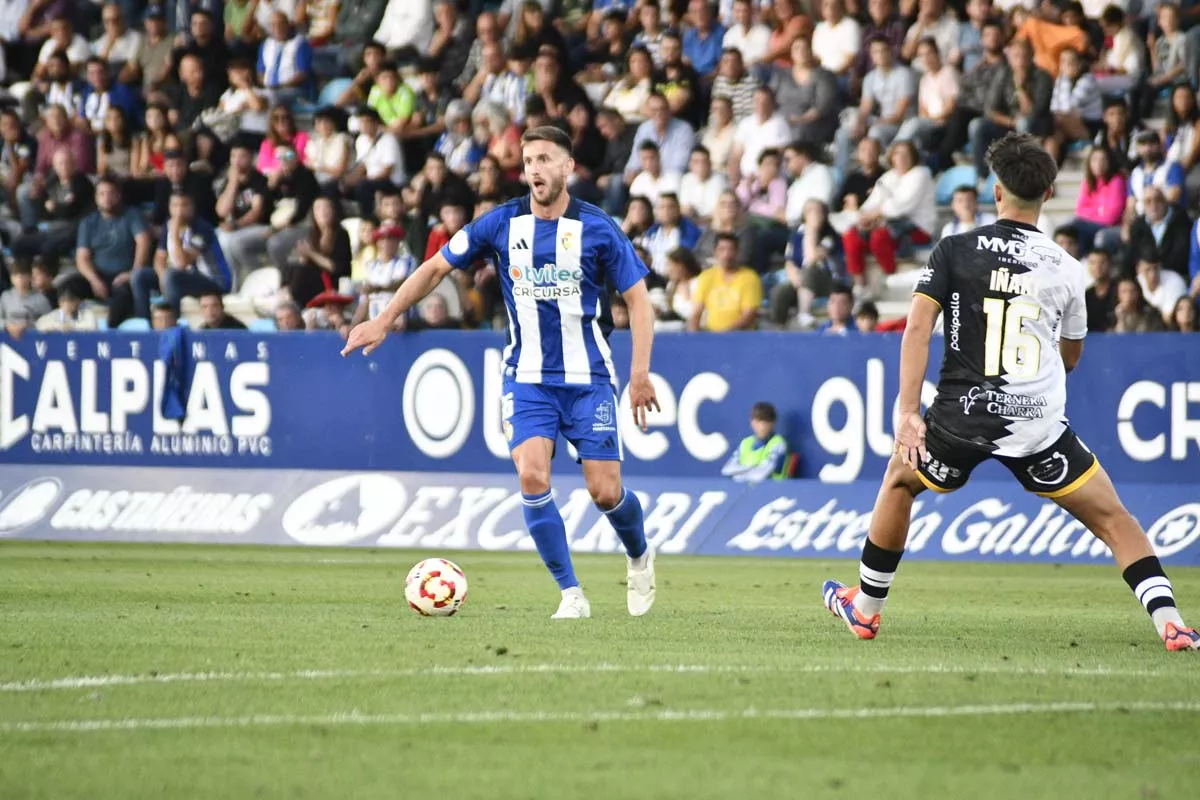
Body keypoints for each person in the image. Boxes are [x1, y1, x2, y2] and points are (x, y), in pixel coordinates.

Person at [821, 132, 1199, 651]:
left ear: (995, 192)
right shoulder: (1068, 268)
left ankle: (864, 610)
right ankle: (1170, 622)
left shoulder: (954, 250)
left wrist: (908, 411)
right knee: (1115, 519)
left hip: (961, 418)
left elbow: (915, 331)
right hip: (1037, 424)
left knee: (899, 482)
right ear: (1047, 195)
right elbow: (1070, 358)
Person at [342, 126, 659, 621]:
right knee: (532, 475)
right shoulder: (501, 223)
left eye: (546, 159)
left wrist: (640, 373)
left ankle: (639, 554)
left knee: (606, 492)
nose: (534, 168)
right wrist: (384, 319)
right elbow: (435, 268)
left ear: (568, 167)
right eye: (529, 159)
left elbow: (639, 301)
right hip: (526, 377)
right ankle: (571, 594)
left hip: (588, 379)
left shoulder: (598, 228)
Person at [687, 231, 762, 331]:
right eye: (722, 250)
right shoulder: (706, 276)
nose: (726, 255)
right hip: (711, 333)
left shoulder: (750, 277)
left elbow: (749, 315)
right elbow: (696, 312)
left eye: (731, 250)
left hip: (740, 336)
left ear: (737, 252)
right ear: (715, 252)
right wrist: (693, 334)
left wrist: (725, 335)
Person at [720, 401, 789, 482]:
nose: (762, 426)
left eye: (766, 422)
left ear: (773, 423)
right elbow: (727, 469)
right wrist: (752, 468)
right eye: (758, 421)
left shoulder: (778, 443)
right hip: (744, 489)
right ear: (752, 422)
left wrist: (740, 473)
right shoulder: (745, 443)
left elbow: (762, 474)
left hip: (772, 490)